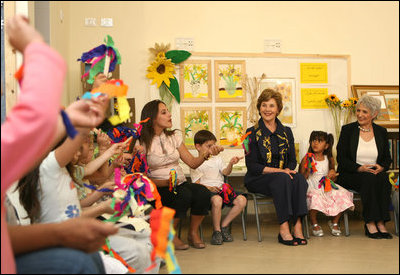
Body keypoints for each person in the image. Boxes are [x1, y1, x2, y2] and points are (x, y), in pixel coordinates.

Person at [138, 100, 224, 249]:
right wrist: (165, 183)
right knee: (183, 195)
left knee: (202, 193)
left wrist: (206, 154)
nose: (169, 114)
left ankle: (192, 233)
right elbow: (141, 177)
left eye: (168, 111)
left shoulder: (174, 136)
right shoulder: (141, 142)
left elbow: (192, 162)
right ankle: (170, 235)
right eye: (164, 112)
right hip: (157, 187)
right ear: (152, 118)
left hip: (179, 183)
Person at [244, 88, 308, 246]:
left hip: (282, 177)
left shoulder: (287, 132)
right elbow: (251, 165)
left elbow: (292, 160)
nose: (267, 109)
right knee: (282, 179)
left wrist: (287, 170)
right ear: (259, 108)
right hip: (257, 178)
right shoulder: (249, 133)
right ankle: (284, 227)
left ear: (278, 109)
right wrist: (281, 171)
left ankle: (298, 225)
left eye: (271, 106)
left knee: (299, 178)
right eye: (264, 105)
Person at [336, 94, 393, 239]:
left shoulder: (381, 132)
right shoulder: (348, 130)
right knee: (369, 179)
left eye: (364, 112)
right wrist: (359, 168)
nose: (360, 115)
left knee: (383, 179)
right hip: (351, 173)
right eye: (358, 111)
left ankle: (381, 222)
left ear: (374, 114)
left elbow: (387, 158)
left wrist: (381, 167)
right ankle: (370, 222)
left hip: (374, 172)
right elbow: (341, 158)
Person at [190, 130, 247, 245]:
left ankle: (224, 226)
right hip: (207, 192)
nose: (212, 148)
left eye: (213, 145)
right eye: (208, 146)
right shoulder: (195, 162)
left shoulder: (217, 159)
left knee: (242, 200)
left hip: (221, 189)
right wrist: (209, 188)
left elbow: (226, 173)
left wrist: (231, 163)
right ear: (198, 147)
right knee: (217, 199)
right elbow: (197, 184)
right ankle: (216, 231)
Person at [299, 131, 354, 237]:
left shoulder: (329, 159)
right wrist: (308, 171)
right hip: (312, 185)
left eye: (320, 141)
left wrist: (332, 174)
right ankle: (314, 223)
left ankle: (334, 222)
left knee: (342, 195)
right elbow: (301, 178)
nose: (315, 143)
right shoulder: (307, 158)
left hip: (326, 185)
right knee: (315, 197)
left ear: (326, 145)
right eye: (314, 140)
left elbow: (333, 175)